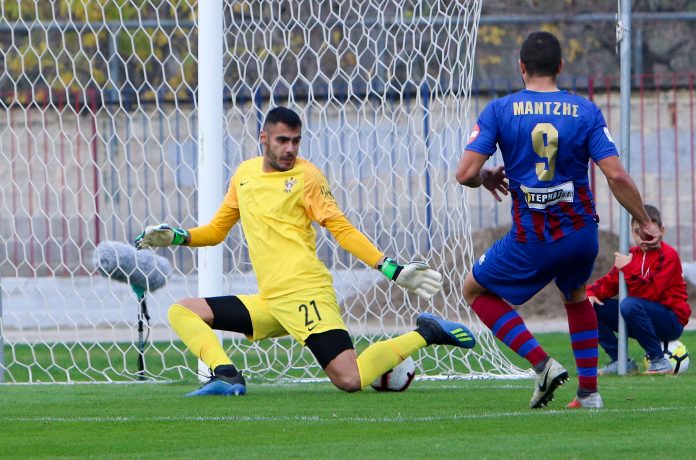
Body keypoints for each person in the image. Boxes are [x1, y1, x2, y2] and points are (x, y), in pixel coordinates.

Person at [135, 106, 476, 396]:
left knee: (350, 379)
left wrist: (390, 269)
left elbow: (341, 228)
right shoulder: (244, 175)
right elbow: (215, 231)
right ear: (264, 138)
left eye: (296, 141)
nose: (290, 149)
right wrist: (176, 236)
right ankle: (225, 374)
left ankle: (427, 332)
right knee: (183, 311)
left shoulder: (307, 177)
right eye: (283, 140)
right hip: (271, 301)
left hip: (305, 293)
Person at [455, 31, 660, 409]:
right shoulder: (585, 111)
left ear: (521, 67)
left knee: (473, 290)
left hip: (532, 238)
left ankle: (542, 364)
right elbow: (616, 175)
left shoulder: (499, 111)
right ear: (560, 66)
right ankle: (589, 393)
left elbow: (465, 173)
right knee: (576, 294)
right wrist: (644, 220)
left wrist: (486, 177)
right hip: (581, 235)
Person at [588, 204, 691, 375]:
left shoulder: (668, 255)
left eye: (648, 232)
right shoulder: (631, 255)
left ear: (661, 231)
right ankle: (620, 361)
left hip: (670, 321)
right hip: (640, 316)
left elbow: (650, 293)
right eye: (637, 232)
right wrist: (590, 294)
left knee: (629, 304)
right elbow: (609, 283)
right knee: (591, 307)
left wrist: (627, 268)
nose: (643, 238)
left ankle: (658, 361)